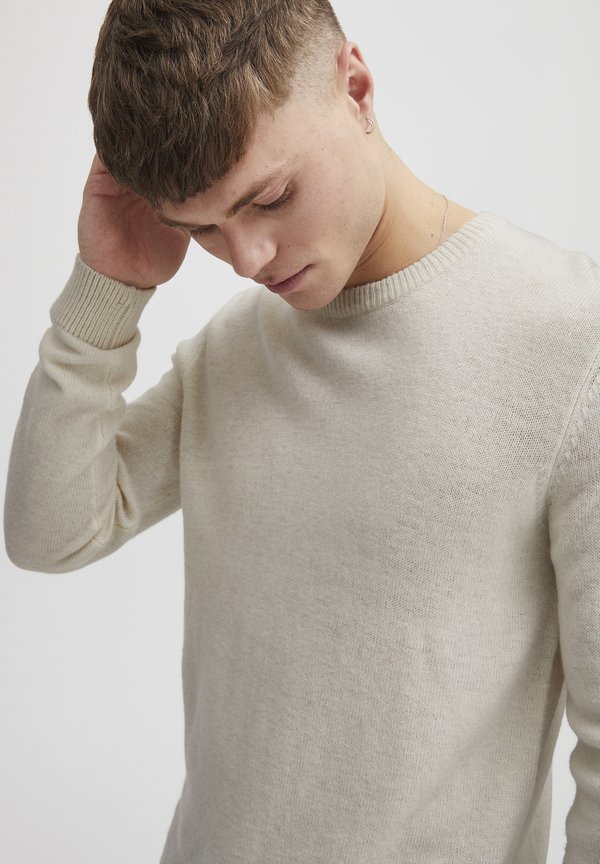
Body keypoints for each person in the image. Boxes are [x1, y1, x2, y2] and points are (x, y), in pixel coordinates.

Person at [4, 1, 600, 862]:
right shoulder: (234, 349)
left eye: (271, 198)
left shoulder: (570, 347)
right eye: (202, 229)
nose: (247, 259)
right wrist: (108, 287)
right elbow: (49, 531)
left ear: (355, 86)